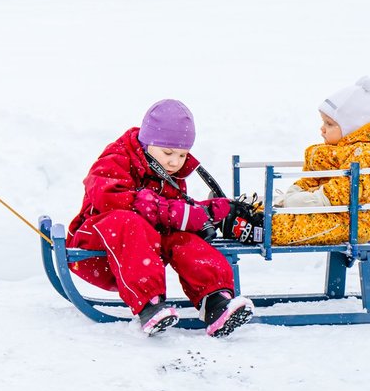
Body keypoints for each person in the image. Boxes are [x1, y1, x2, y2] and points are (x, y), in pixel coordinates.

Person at [66, 100, 254, 337]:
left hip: (140, 255)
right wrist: (167, 210)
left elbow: (169, 212)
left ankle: (216, 300)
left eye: (182, 155)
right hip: (97, 249)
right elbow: (106, 196)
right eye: (167, 153)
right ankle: (149, 305)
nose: (175, 162)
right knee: (129, 221)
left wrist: (210, 212)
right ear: (147, 142)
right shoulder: (116, 158)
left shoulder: (167, 172)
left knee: (181, 238)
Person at [270, 76, 370, 245]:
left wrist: (311, 200)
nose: (322, 129)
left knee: (295, 228)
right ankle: (249, 215)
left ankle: (258, 228)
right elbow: (313, 178)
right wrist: (297, 191)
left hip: (353, 221)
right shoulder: (336, 152)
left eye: (329, 124)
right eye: (323, 122)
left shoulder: (365, 154)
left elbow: (346, 190)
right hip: (331, 212)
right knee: (283, 214)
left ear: (352, 128)